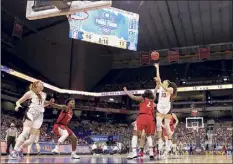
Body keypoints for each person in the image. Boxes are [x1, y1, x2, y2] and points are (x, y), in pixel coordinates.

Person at [10, 81, 54, 159]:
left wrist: (49, 103)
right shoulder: (30, 93)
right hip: (31, 113)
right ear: (35, 85)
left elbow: (42, 104)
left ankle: (20, 149)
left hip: (40, 116)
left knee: (32, 139)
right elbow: (18, 101)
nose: (42, 84)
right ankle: (14, 150)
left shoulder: (44, 94)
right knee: (26, 132)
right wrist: (17, 106)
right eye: (40, 83)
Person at [124, 83, 159, 159]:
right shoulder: (152, 100)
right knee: (149, 135)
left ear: (144, 94)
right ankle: (151, 153)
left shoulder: (142, 98)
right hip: (150, 118)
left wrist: (126, 92)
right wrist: (157, 85)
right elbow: (155, 92)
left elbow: (133, 97)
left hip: (142, 116)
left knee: (135, 134)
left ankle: (134, 152)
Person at [154, 63, 177, 151]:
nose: (164, 81)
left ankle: (169, 142)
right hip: (160, 106)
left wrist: (159, 83)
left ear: (167, 83)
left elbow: (166, 89)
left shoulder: (170, 89)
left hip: (167, 107)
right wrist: (157, 68)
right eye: (163, 81)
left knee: (167, 126)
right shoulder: (160, 87)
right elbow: (158, 76)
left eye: (165, 81)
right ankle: (160, 141)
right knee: (158, 124)